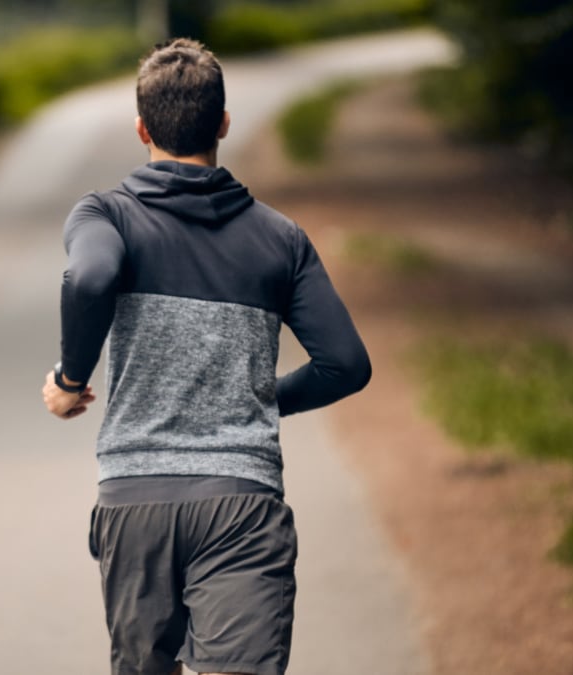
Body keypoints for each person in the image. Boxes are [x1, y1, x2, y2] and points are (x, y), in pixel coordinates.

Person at [41, 38, 371, 675]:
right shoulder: (280, 238)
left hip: (135, 505)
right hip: (241, 505)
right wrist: (255, 396)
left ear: (142, 129)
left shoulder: (105, 214)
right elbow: (345, 365)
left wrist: (69, 378)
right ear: (223, 122)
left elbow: (89, 278)